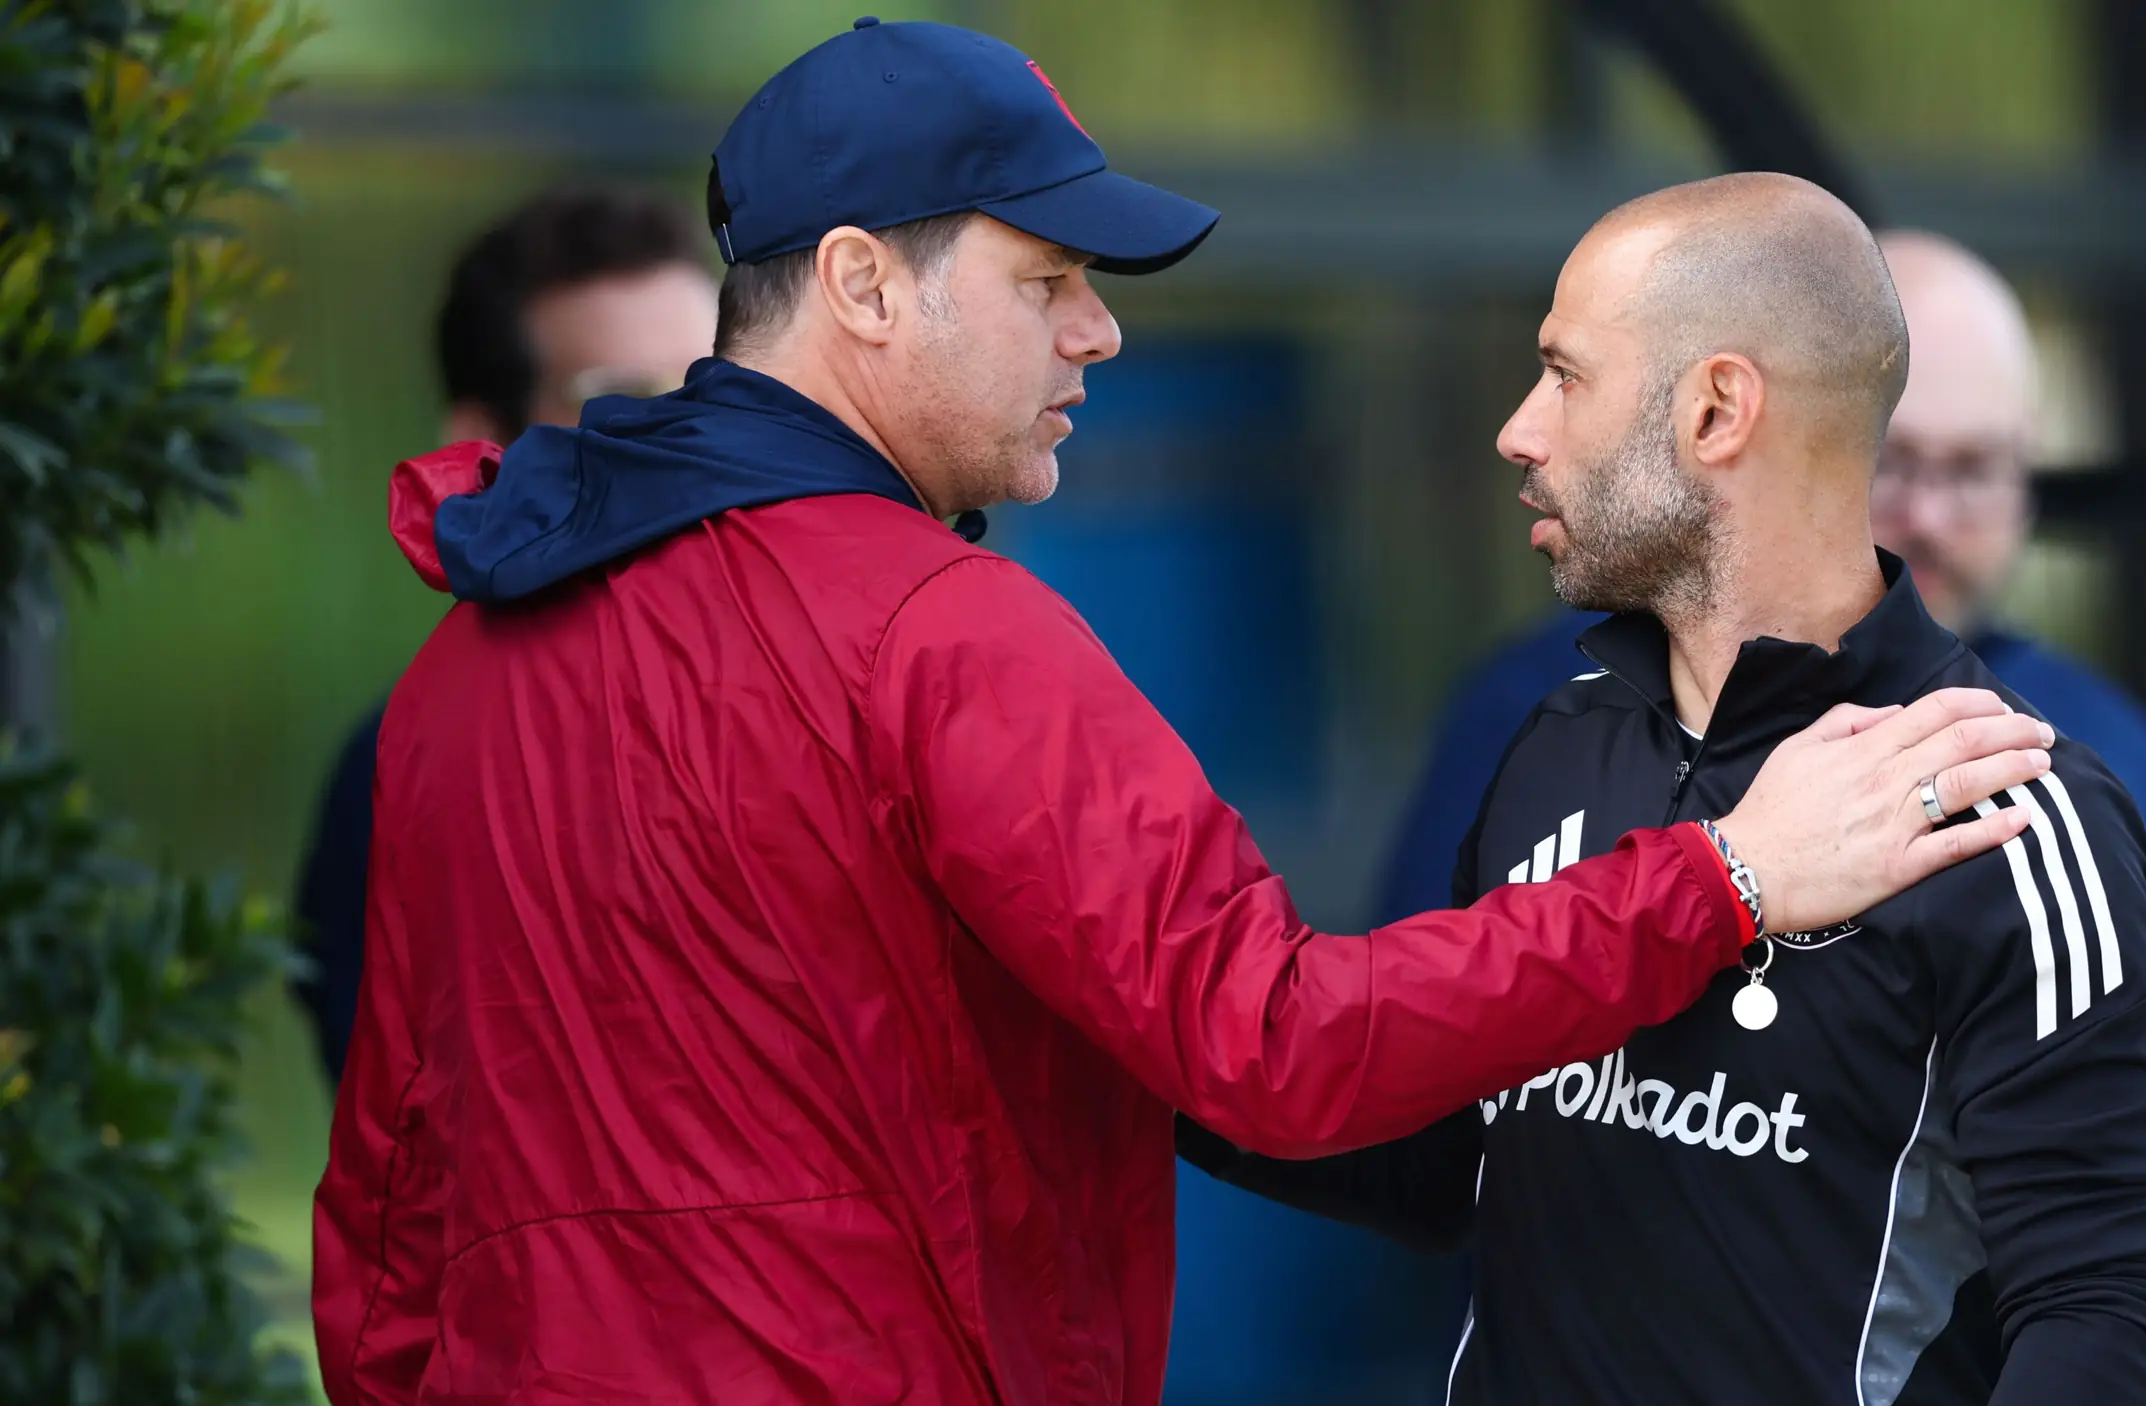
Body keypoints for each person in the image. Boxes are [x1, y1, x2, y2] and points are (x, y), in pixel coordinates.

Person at [309, 22, 2057, 1406]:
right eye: (1045, 279)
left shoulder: (458, 675)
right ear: (857, 284)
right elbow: (1276, 1047)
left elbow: (385, 1199)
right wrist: (1726, 880)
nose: (1097, 335)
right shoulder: (944, 633)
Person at [1187, 174, 2146, 1405]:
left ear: (1717, 410)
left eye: (1565, 374)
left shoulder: (2017, 814)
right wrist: (1141, 1045)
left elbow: (2094, 1318)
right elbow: (1446, 1161)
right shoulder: (1556, 741)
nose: (1519, 427)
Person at [1872, 230, 2146, 1406]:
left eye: (1977, 469)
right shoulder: (1596, 711)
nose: (1931, 515)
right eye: (1890, 463)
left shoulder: (2102, 750)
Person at [292, 184, 718, 1082]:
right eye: (623, 400)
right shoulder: (411, 767)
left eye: (716, 385)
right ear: (483, 447)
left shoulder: (844, 686)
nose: (691, 437)